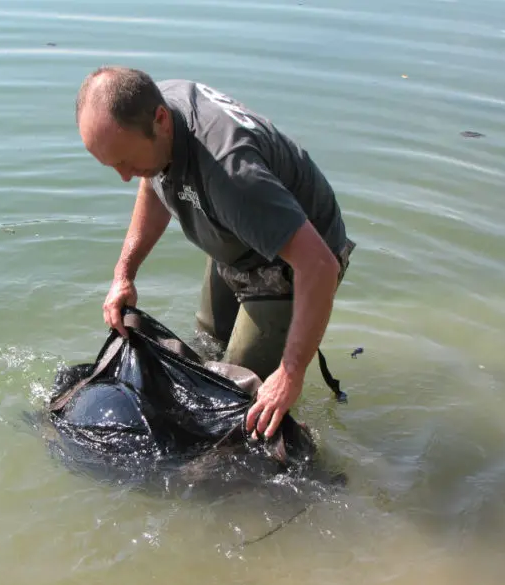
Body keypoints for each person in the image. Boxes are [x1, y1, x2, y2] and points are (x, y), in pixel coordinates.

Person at [75, 66, 355, 442]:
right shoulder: (154, 115)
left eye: (125, 162)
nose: (125, 176)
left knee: (244, 405)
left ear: (160, 120)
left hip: (294, 263)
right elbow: (152, 182)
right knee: (208, 347)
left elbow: (320, 265)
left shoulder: (230, 172)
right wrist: (124, 273)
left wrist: (291, 373)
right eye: (113, 165)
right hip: (234, 236)